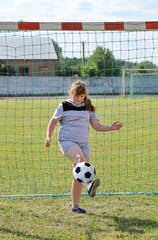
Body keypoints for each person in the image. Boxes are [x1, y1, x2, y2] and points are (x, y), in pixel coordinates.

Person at [45, 81, 123, 214]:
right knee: (81, 161)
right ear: (71, 93)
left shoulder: (88, 106)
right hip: (67, 141)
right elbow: (53, 121)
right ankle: (89, 185)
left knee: (78, 174)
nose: (79, 99)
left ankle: (75, 206)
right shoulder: (64, 105)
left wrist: (110, 128)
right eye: (76, 96)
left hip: (84, 144)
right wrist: (48, 136)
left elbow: (97, 126)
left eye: (81, 96)